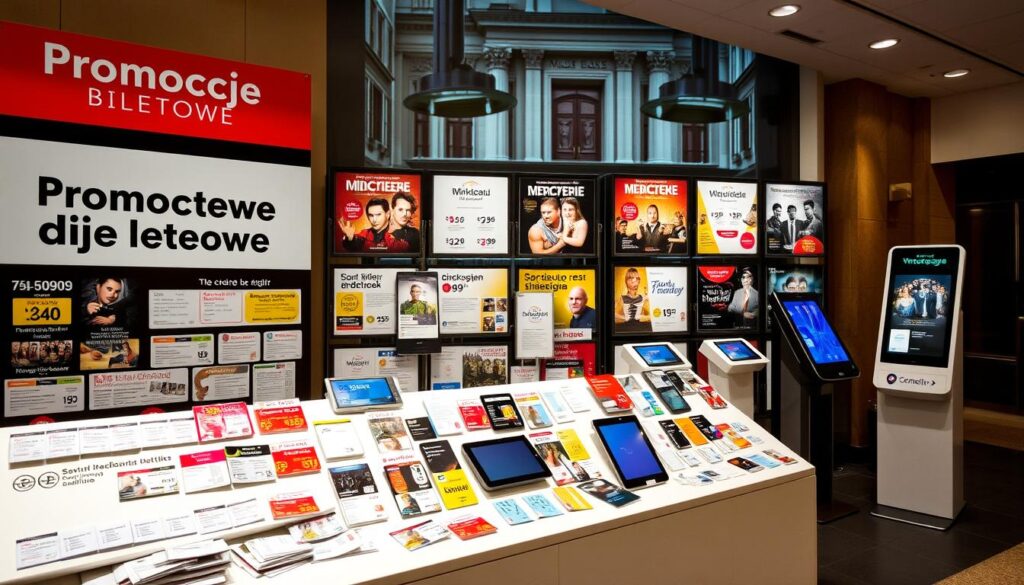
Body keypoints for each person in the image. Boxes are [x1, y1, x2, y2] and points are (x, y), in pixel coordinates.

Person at [339, 198, 409, 252]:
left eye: (378, 214)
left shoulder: (401, 234)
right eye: (371, 215)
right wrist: (350, 238)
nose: (374, 220)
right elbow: (354, 245)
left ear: (387, 214)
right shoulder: (365, 234)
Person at [614, 267, 651, 332]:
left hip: (641, 330)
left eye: (637, 278)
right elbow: (613, 316)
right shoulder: (622, 298)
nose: (635, 281)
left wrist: (641, 317)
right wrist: (625, 318)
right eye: (631, 278)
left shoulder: (643, 298)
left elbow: (654, 316)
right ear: (627, 281)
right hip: (626, 331)